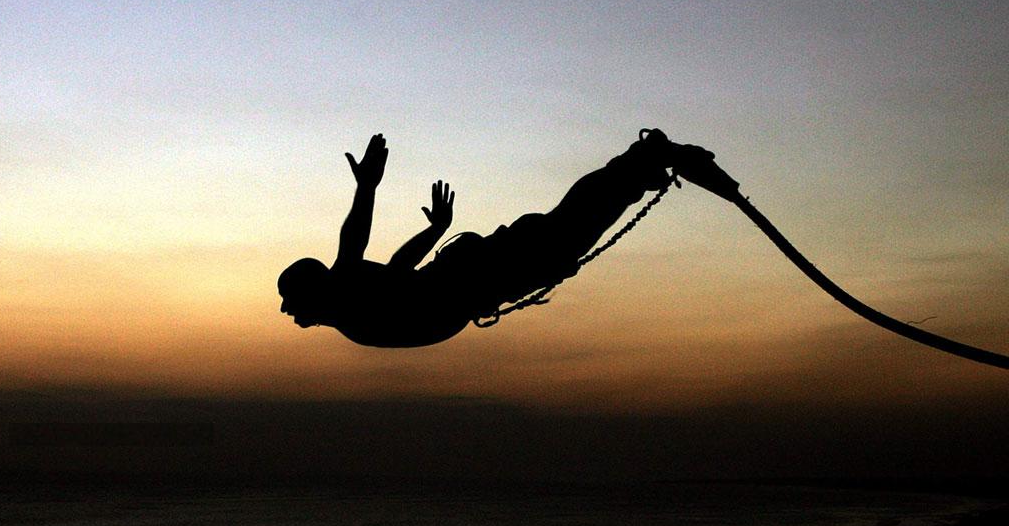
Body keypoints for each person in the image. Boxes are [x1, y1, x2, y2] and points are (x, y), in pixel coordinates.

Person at [278, 130, 736, 347]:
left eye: (290, 298)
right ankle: (639, 167)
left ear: (316, 288)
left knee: (567, 230)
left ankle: (642, 160)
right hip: (484, 278)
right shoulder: (351, 307)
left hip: (482, 272)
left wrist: (367, 188)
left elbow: (355, 242)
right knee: (567, 230)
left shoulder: (345, 292)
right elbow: (398, 272)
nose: (286, 310)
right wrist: (435, 229)